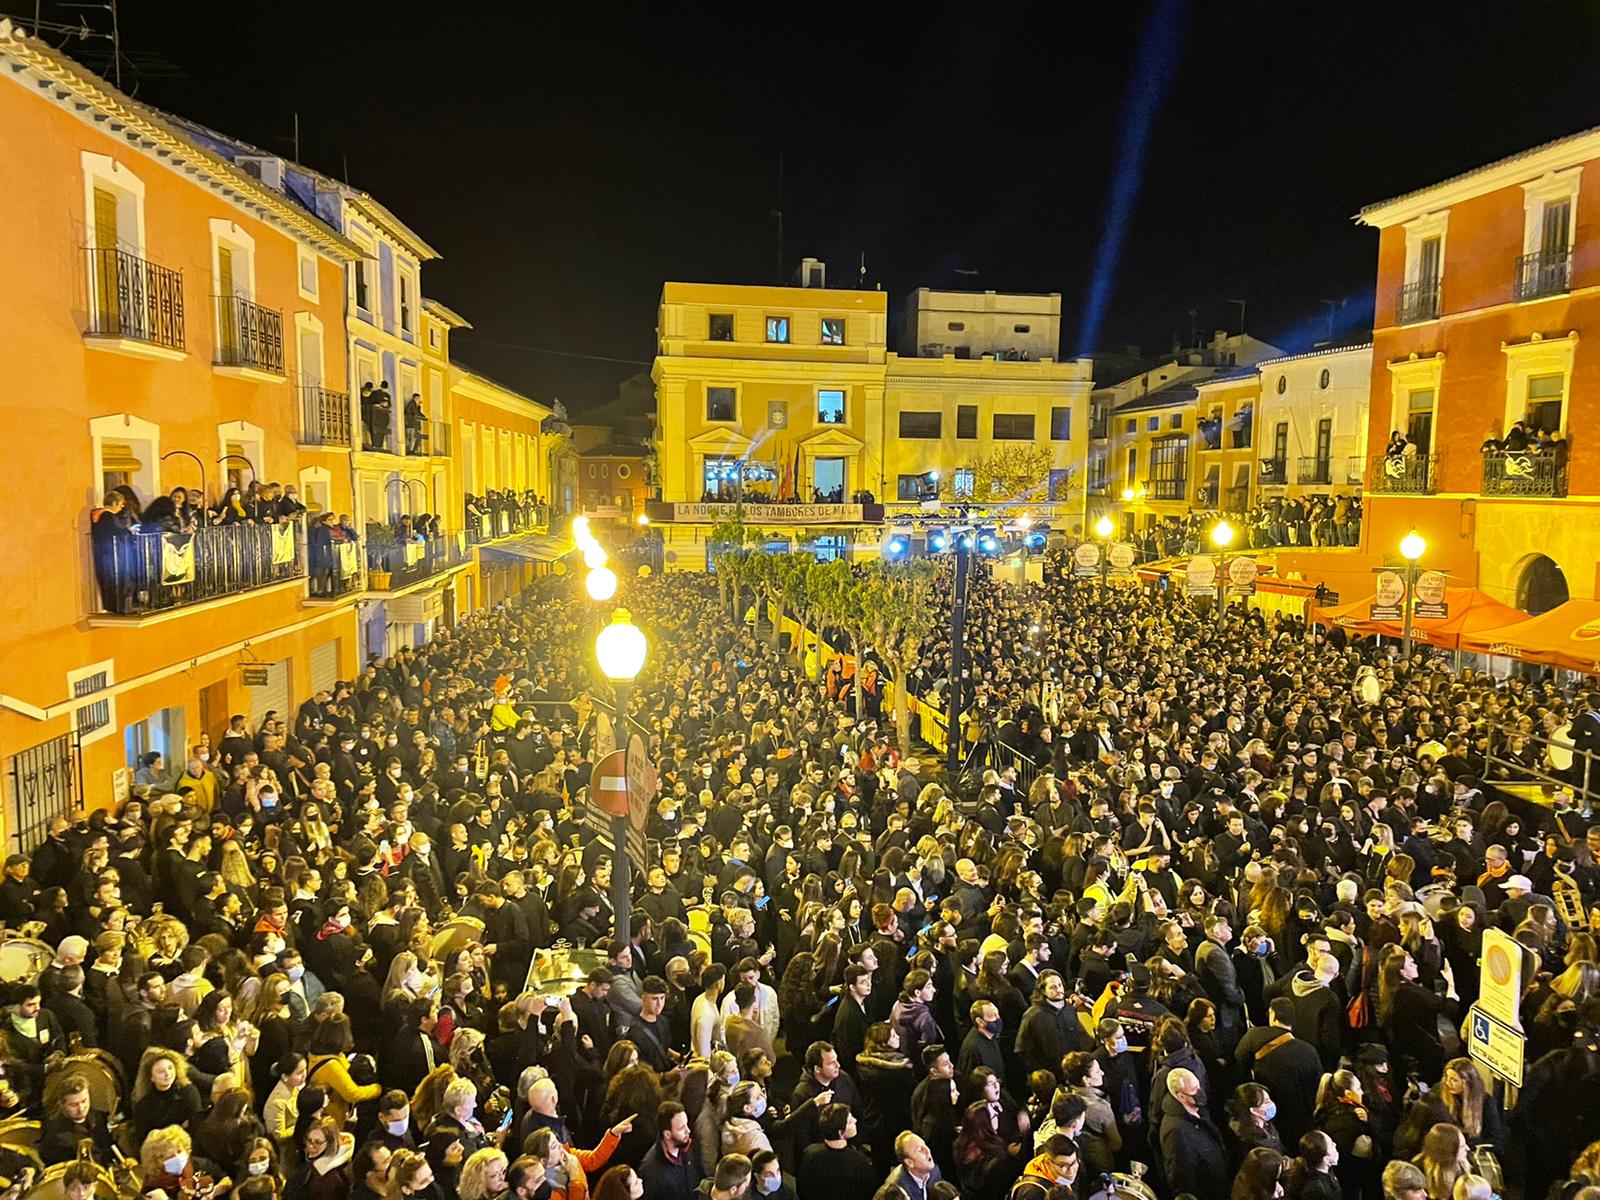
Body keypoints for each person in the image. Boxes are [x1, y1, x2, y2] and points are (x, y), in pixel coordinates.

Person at [1160, 1067, 1229, 1200]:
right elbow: (1181, 1178)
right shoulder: (1176, 1132)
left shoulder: (1198, 1108)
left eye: (1198, 1086)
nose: (1199, 1092)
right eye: (1194, 1090)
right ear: (1181, 1096)